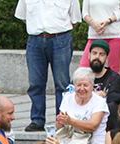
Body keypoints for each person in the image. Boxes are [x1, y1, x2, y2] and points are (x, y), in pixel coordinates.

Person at [15, 0, 81, 132]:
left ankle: (62, 119)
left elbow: (75, 20)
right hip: (35, 39)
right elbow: (23, 17)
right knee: (35, 83)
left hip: (60, 39)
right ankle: (37, 120)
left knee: (62, 84)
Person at [57, 67, 109, 144]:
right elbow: (59, 126)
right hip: (71, 141)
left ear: (92, 85)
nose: (82, 88)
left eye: (85, 85)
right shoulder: (67, 99)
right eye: (78, 85)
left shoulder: (99, 101)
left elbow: (93, 125)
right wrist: (60, 121)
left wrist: (70, 121)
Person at [80, 0, 120, 74]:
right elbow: (85, 13)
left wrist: (108, 21)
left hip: (116, 35)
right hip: (94, 35)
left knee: (114, 71)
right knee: (83, 71)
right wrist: (95, 25)